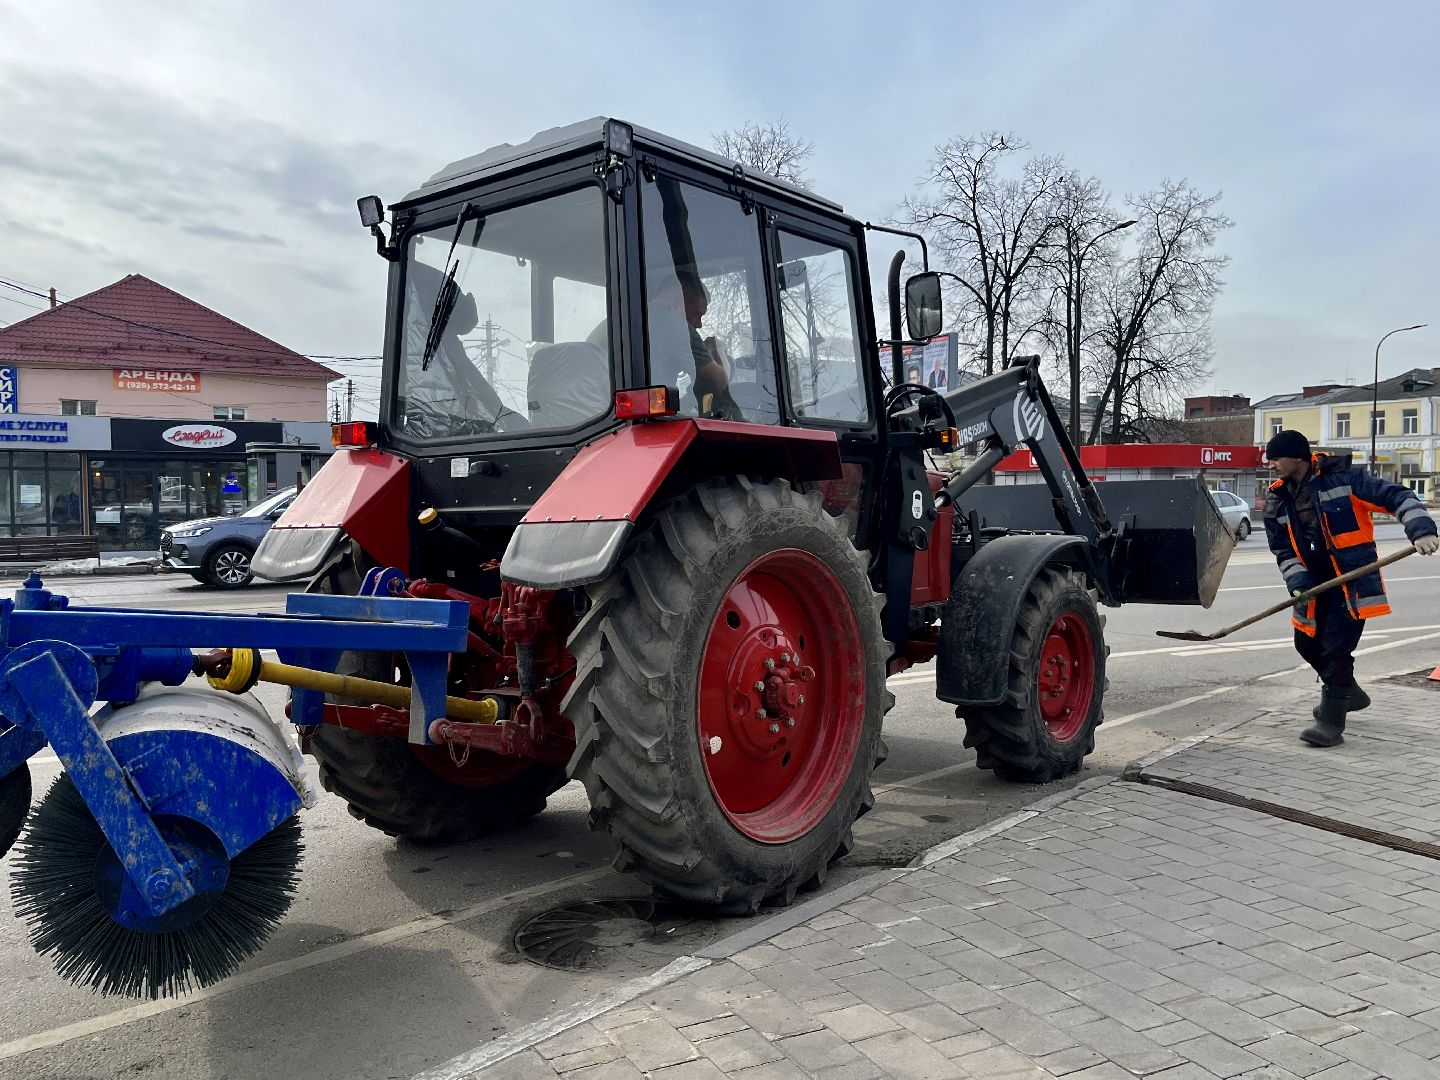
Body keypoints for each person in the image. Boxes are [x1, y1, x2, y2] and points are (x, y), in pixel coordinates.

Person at [1263, 429, 1439, 747]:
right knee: (1305, 643)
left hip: (1351, 583)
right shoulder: (1277, 499)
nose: (1271, 464)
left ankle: (1331, 723)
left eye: (1275, 458)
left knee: (1335, 650)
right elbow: (1283, 550)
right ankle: (1348, 692)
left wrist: (1421, 529)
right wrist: (1298, 583)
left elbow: (1398, 496)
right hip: (1313, 587)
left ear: (1297, 457)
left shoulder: (1345, 479)